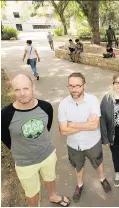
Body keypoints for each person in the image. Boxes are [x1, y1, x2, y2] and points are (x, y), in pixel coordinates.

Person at [1, 74, 70, 207]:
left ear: (33, 87)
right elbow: (5, 138)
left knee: (50, 178)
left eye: (26, 88)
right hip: (25, 162)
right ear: (13, 90)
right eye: (17, 89)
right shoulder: (5, 115)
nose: (22, 93)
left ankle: (53, 196)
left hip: (47, 154)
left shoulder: (46, 107)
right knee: (31, 193)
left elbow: (46, 127)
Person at [58, 72, 112, 203]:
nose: (74, 89)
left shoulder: (92, 100)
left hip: (93, 142)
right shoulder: (63, 104)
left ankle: (102, 179)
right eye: (71, 86)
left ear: (84, 86)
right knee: (78, 166)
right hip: (74, 145)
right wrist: (85, 124)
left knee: (98, 162)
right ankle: (80, 185)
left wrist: (72, 124)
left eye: (77, 86)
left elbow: (94, 125)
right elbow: (63, 131)